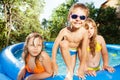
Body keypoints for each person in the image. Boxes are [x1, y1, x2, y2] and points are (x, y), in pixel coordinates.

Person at [52, 3, 89, 80]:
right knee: (63, 43)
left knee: (71, 71)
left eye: (82, 17)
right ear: (69, 17)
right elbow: (55, 46)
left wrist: (81, 67)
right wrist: (54, 62)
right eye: (74, 16)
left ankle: (71, 72)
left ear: (85, 20)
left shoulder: (84, 32)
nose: (78, 19)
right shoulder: (64, 31)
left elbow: (84, 51)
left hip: (75, 52)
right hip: (64, 49)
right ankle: (70, 71)